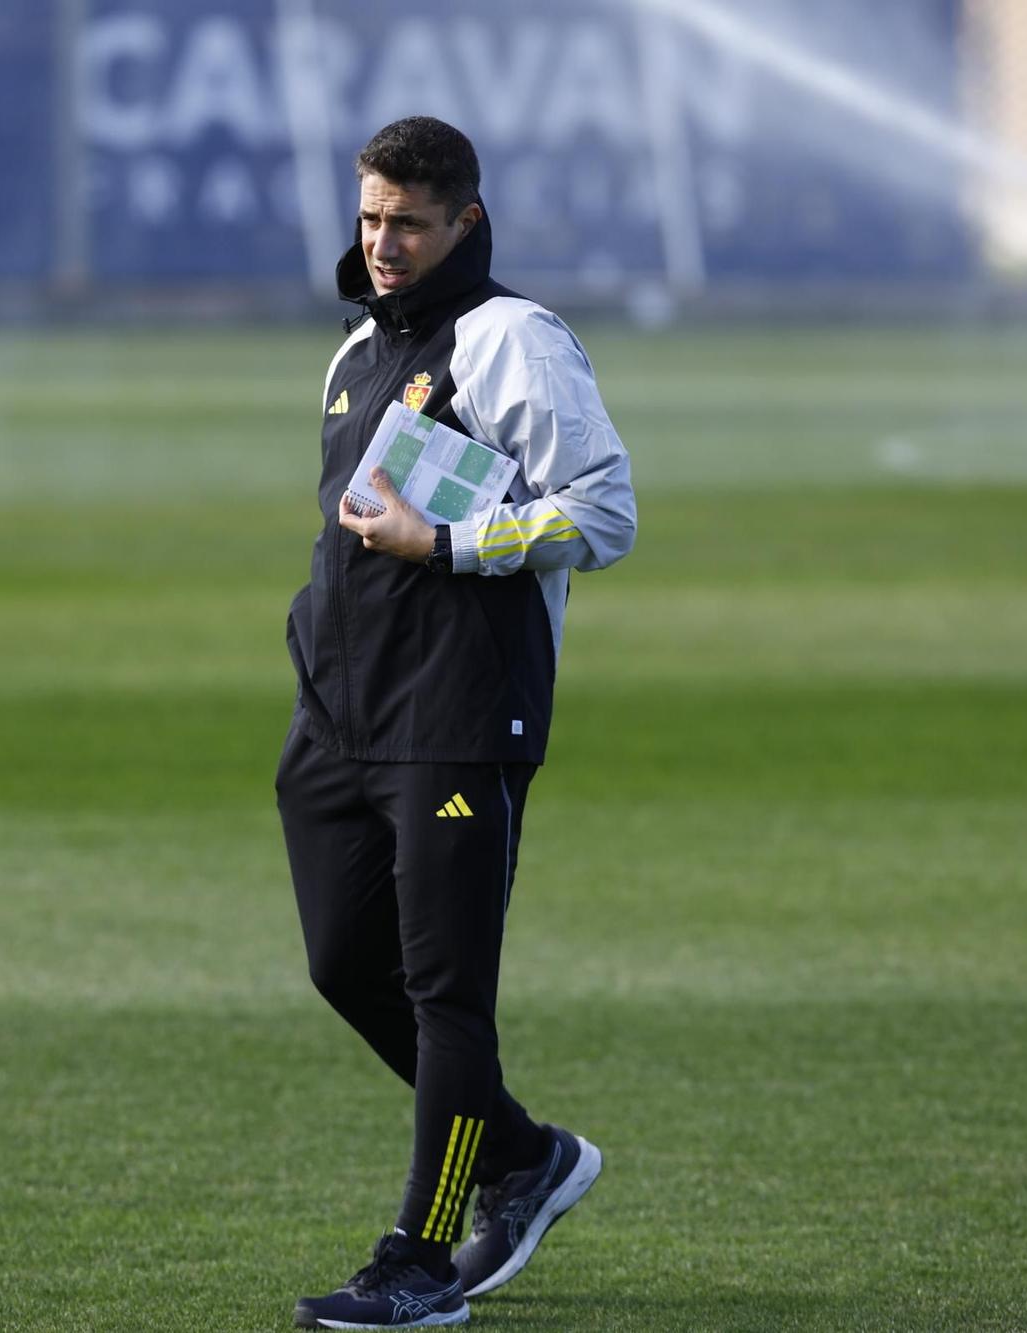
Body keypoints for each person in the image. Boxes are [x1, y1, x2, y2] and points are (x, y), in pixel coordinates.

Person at [277, 117, 637, 1330]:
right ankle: (524, 1156)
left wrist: (449, 543)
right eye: (371, 217)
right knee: (342, 965)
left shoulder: (511, 339)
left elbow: (604, 514)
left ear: (465, 223)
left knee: (445, 996)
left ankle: (421, 1263)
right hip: (339, 716)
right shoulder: (353, 350)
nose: (383, 243)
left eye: (410, 224)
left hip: (458, 711)